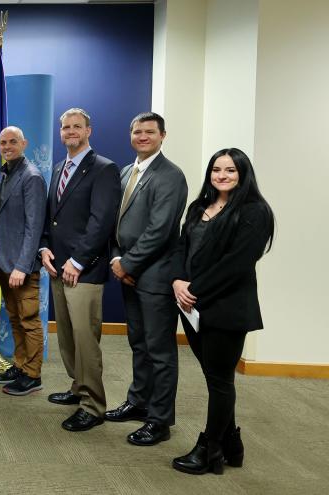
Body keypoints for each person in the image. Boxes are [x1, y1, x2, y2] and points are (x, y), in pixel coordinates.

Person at [169, 148, 273, 475]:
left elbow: (238, 264)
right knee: (215, 377)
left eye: (230, 170)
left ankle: (209, 448)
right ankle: (231, 441)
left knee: (220, 381)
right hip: (193, 307)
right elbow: (182, 248)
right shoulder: (200, 207)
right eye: (217, 169)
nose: (222, 175)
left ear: (243, 173)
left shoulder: (255, 211)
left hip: (226, 307)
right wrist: (176, 281)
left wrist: (193, 290)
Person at [106, 112, 188, 446]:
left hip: (155, 275)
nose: (142, 136)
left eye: (149, 132)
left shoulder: (170, 175)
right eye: (137, 131)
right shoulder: (128, 171)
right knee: (139, 344)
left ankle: (159, 419)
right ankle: (139, 402)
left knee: (160, 350)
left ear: (162, 136)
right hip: (130, 271)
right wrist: (117, 258)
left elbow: (160, 229)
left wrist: (128, 264)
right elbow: (116, 222)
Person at [39, 108, 121, 432]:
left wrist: (77, 261)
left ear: (89, 130)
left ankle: (93, 405)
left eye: (77, 126)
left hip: (84, 270)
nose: (70, 131)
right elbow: (52, 217)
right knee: (68, 338)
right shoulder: (60, 167)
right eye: (65, 127)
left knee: (87, 342)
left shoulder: (104, 169)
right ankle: (77, 388)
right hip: (58, 267)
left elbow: (101, 222)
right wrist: (45, 248)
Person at [0, 126, 48, 396]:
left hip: (20, 266)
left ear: (24, 143)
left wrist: (22, 267)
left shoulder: (31, 176)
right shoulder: (7, 173)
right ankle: (21, 365)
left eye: (13, 142)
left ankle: (33, 374)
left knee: (29, 320)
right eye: (3, 142)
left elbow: (34, 228)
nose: (7, 146)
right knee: (14, 318)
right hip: (5, 261)